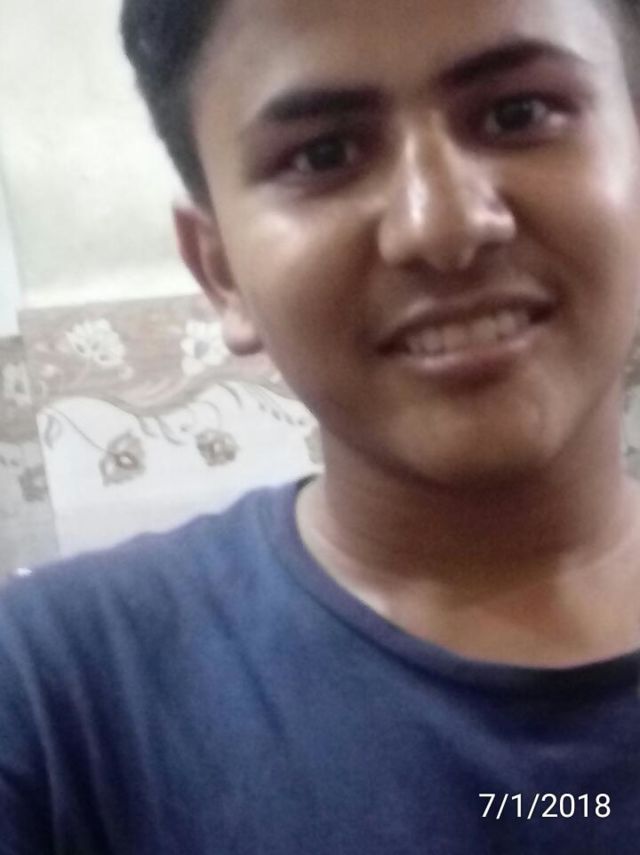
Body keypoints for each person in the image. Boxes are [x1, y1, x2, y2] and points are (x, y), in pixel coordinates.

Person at [3, 0, 640, 850]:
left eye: (518, 113)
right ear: (221, 271)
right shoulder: (50, 694)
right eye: (324, 154)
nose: (443, 225)